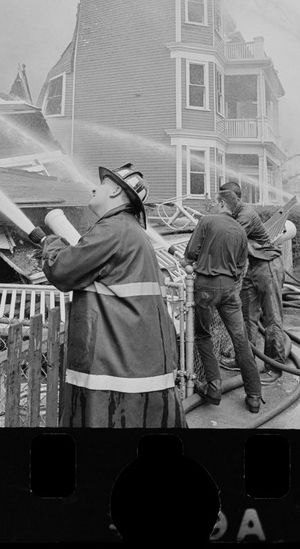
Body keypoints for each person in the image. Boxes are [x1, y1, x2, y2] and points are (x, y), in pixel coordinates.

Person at [36, 162, 185, 428]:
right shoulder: (130, 232)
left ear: (116, 192)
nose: (94, 187)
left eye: (103, 184)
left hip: (116, 378)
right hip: (137, 370)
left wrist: (51, 243)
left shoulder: (113, 230)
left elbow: (62, 270)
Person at [183, 189, 265, 413]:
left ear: (220, 203)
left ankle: (214, 386)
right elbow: (240, 267)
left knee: (202, 334)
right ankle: (255, 396)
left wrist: (193, 261)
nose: (211, 205)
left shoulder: (207, 221)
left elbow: (190, 252)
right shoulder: (240, 229)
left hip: (206, 288)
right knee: (240, 340)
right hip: (230, 290)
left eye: (213, 202)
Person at [218, 180, 291, 381]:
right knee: (246, 316)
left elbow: (229, 240)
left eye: (222, 200)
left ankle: (274, 366)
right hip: (253, 267)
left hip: (268, 266)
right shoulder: (234, 214)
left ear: (233, 199)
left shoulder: (245, 215)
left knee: (272, 317)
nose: (220, 204)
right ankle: (244, 360)